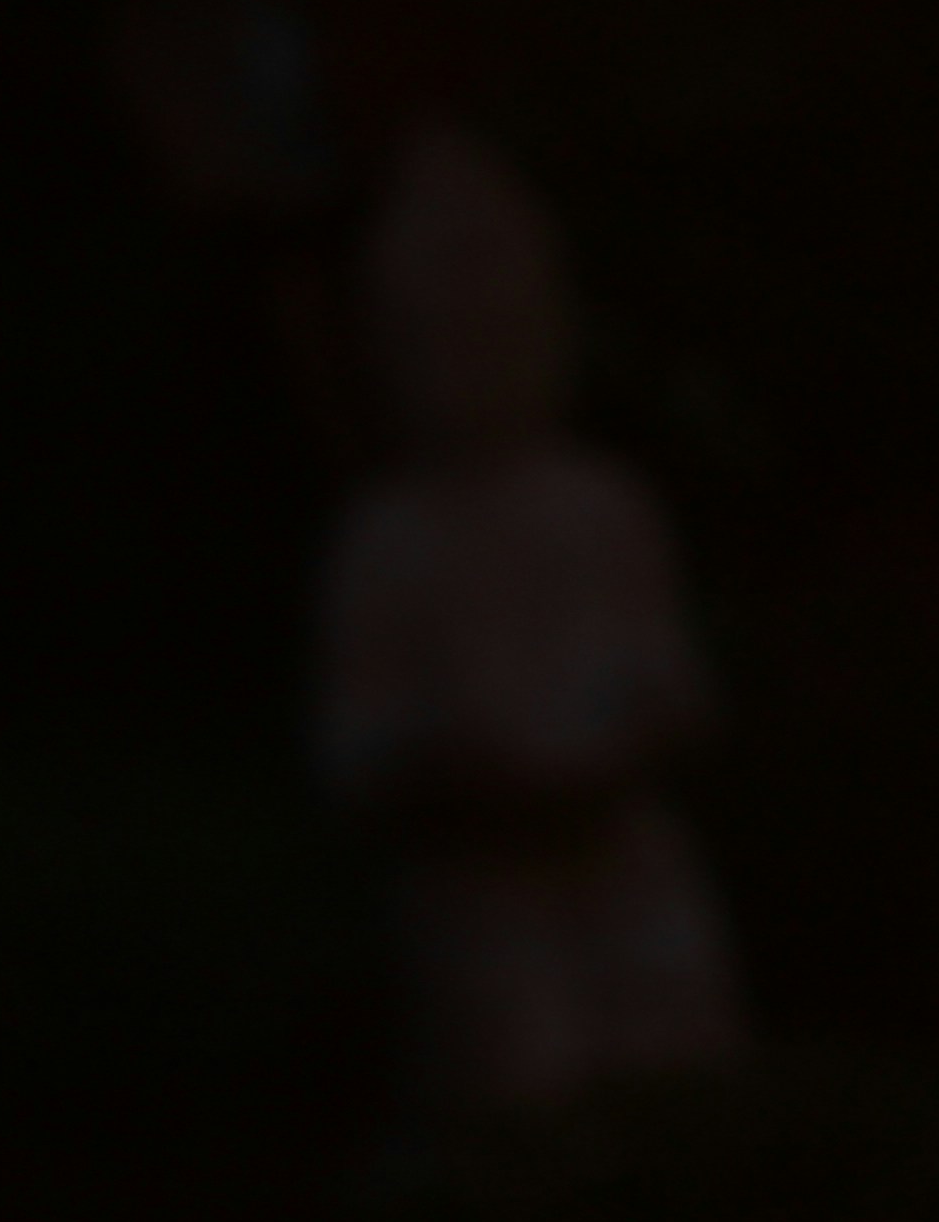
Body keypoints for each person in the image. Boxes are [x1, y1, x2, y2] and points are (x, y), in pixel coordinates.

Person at [316, 121, 747, 1110]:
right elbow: (360, 740)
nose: (481, 345)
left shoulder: (604, 504)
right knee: (527, 1075)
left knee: (676, 1066)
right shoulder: (389, 536)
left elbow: (669, 680)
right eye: (447, 327)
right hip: (480, 886)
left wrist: (625, 746)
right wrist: (457, 771)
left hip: (620, 860)